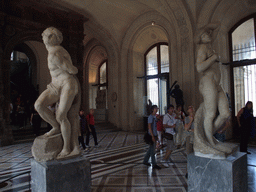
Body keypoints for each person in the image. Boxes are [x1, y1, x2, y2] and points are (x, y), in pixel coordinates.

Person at [34, 27, 81, 159]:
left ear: (50, 38)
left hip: (67, 84)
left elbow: (72, 70)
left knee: (61, 115)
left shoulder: (55, 53)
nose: (43, 38)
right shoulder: (52, 52)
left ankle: (67, 148)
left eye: (45, 36)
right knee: (39, 105)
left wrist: (68, 67)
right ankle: (55, 127)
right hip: (55, 85)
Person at [195, 22, 230, 147]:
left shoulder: (210, 46)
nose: (208, 35)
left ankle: (207, 136)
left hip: (217, 84)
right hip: (208, 82)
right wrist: (213, 58)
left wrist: (206, 28)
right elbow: (199, 68)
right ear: (201, 38)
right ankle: (210, 142)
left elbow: (218, 25)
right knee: (211, 114)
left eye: (208, 33)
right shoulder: (202, 48)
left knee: (225, 113)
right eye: (205, 34)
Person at [143, 105, 161, 169]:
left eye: (157, 108)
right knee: (153, 150)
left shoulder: (154, 117)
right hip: (151, 135)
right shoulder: (150, 117)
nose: (157, 110)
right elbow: (149, 127)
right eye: (156, 108)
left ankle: (145, 161)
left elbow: (155, 127)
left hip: (154, 134)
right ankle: (154, 164)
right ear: (153, 109)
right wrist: (153, 136)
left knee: (151, 149)